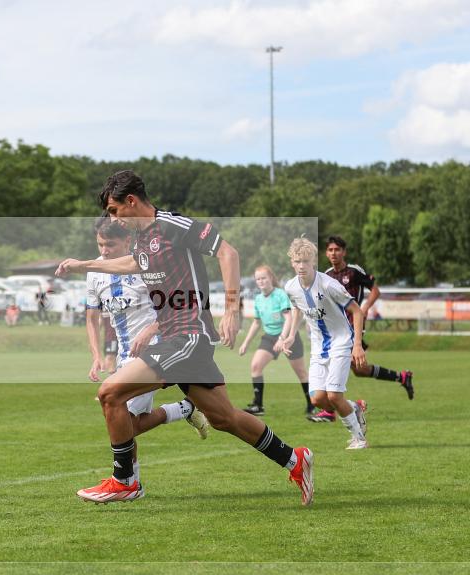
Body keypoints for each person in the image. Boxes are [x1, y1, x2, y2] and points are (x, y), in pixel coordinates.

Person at [56, 170, 313, 506]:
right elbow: (135, 264)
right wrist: (84, 265)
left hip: (186, 336)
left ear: (131, 201)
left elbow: (228, 253)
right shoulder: (144, 239)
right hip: (182, 341)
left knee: (110, 394)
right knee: (224, 418)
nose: (113, 219)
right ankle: (295, 460)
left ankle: (125, 481)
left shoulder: (172, 225)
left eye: (115, 210)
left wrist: (232, 308)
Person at [85, 217, 210, 482]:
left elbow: (175, 305)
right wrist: (96, 355)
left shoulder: (146, 266)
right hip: (124, 356)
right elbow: (91, 316)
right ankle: (185, 409)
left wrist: (151, 329)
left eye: (110, 244)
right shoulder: (94, 272)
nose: (104, 250)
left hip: (157, 350)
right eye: (100, 244)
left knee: (123, 420)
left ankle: (128, 481)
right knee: (125, 422)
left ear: (127, 241)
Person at [310, 235, 414, 422]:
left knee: (340, 362)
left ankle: (331, 408)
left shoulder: (354, 272)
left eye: (337, 250)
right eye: (330, 250)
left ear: (344, 252)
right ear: (326, 253)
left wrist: (364, 308)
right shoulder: (326, 275)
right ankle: (402, 377)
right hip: (335, 330)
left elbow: (375, 290)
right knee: (359, 369)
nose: (334, 253)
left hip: (352, 327)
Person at [284, 237, 369, 449]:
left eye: (305, 261)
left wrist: (357, 344)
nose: (301, 265)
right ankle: (354, 407)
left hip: (341, 342)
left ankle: (359, 438)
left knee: (334, 395)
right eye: (297, 261)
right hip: (318, 347)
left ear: (313, 261)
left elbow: (356, 311)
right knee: (318, 400)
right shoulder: (291, 287)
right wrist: (291, 334)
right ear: (292, 262)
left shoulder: (329, 284)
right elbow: (297, 307)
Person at [237, 265, 316, 420]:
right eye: (258, 279)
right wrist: (245, 343)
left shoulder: (280, 294)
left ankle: (312, 404)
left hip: (288, 338)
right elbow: (256, 323)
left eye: (264, 278)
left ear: (271, 278)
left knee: (301, 373)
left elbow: (289, 318)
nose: (261, 281)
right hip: (270, 337)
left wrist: (282, 339)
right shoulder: (258, 298)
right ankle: (258, 406)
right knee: (255, 366)